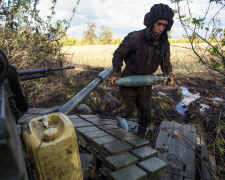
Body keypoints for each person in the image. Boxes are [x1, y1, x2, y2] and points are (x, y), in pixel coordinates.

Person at [103, 3, 174, 138]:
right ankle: (108, 99)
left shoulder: (164, 42)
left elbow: (166, 62)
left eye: (164, 25)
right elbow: (118, 55)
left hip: (146, 81)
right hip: (130, 77)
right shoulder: (135, 38)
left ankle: (140, 138)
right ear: (151, 22)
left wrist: (169, 74)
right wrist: (116, 74)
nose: (161, 28)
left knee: (146, 115)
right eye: (159, 24)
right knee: (124, 112)